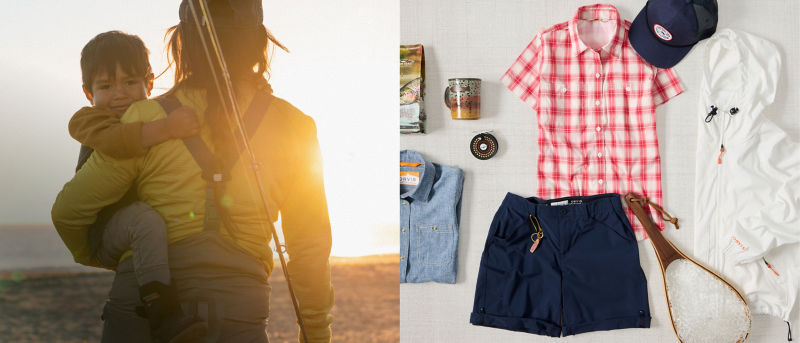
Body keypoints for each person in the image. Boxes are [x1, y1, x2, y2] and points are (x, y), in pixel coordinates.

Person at [51, 0, 335, 342]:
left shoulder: (145, 121)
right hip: (239, 313)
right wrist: (315, 331)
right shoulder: (295, 127)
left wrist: (110, 255)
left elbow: (68, 214)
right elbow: (309, 248)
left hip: (142, 313)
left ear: (181, 43)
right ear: (260, 43)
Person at [69, 30, 206, 343]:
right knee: (145, 220)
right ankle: (163, 310)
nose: (119, 94)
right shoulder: (89, 121)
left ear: (150, 82)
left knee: (147, 220)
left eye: (130, 82)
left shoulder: (151, 113)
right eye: (106, 86)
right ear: (88, 93)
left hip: (138, 230)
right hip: (106, 227)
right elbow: (119, 142)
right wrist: (168, 127)